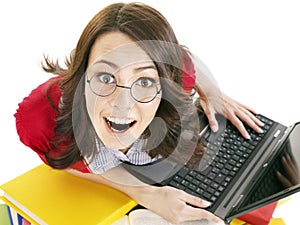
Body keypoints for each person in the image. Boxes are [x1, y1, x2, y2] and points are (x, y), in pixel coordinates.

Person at [14, 2, 264, 224]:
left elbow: (183, 57)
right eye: (105, 77)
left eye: (144, 81)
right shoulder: (41, 118)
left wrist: (212, 92)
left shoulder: (180, 78)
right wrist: (144, 192)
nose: (122, 105)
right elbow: (63, 159)